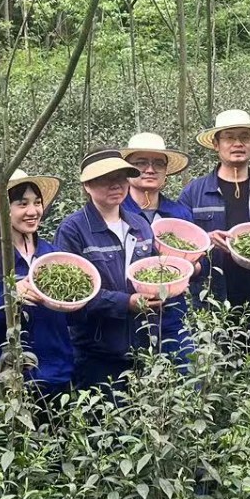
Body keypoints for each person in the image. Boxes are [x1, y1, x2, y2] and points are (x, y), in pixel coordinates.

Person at [179, 109, 250, 342]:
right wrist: (207, 240)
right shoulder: (194, 192)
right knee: (217, 359)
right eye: (229, 138)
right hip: (213, 296)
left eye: (244, 138)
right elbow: (182, 246)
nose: (237, 144)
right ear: (216, 144)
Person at [54, 150, 162, 392]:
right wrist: (125, 302)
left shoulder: (140, 224)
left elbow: (153, 270)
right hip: (97, 354)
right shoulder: (73, 230)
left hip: (143, 346)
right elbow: (71, 297)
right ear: (87, 185)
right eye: (105, 179)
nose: (116, 185)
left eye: (121, 177)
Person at [0, 170, 75, 400]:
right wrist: (11, 297)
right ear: (1, 208)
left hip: (55, 373)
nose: (32, 211)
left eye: (37, 203)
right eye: (22, 204)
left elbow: (71, 317)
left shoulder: (53, 257)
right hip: (6, 378)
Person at [121, 131, 196, 364]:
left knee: (186, 370)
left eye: (158, 164)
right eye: (141, 163)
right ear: (128, 169)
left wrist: (192, 266)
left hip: (172, 313)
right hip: (127, 316)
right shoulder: (116, 212)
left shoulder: (179, 214)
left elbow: (196, 263)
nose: (150, 169)